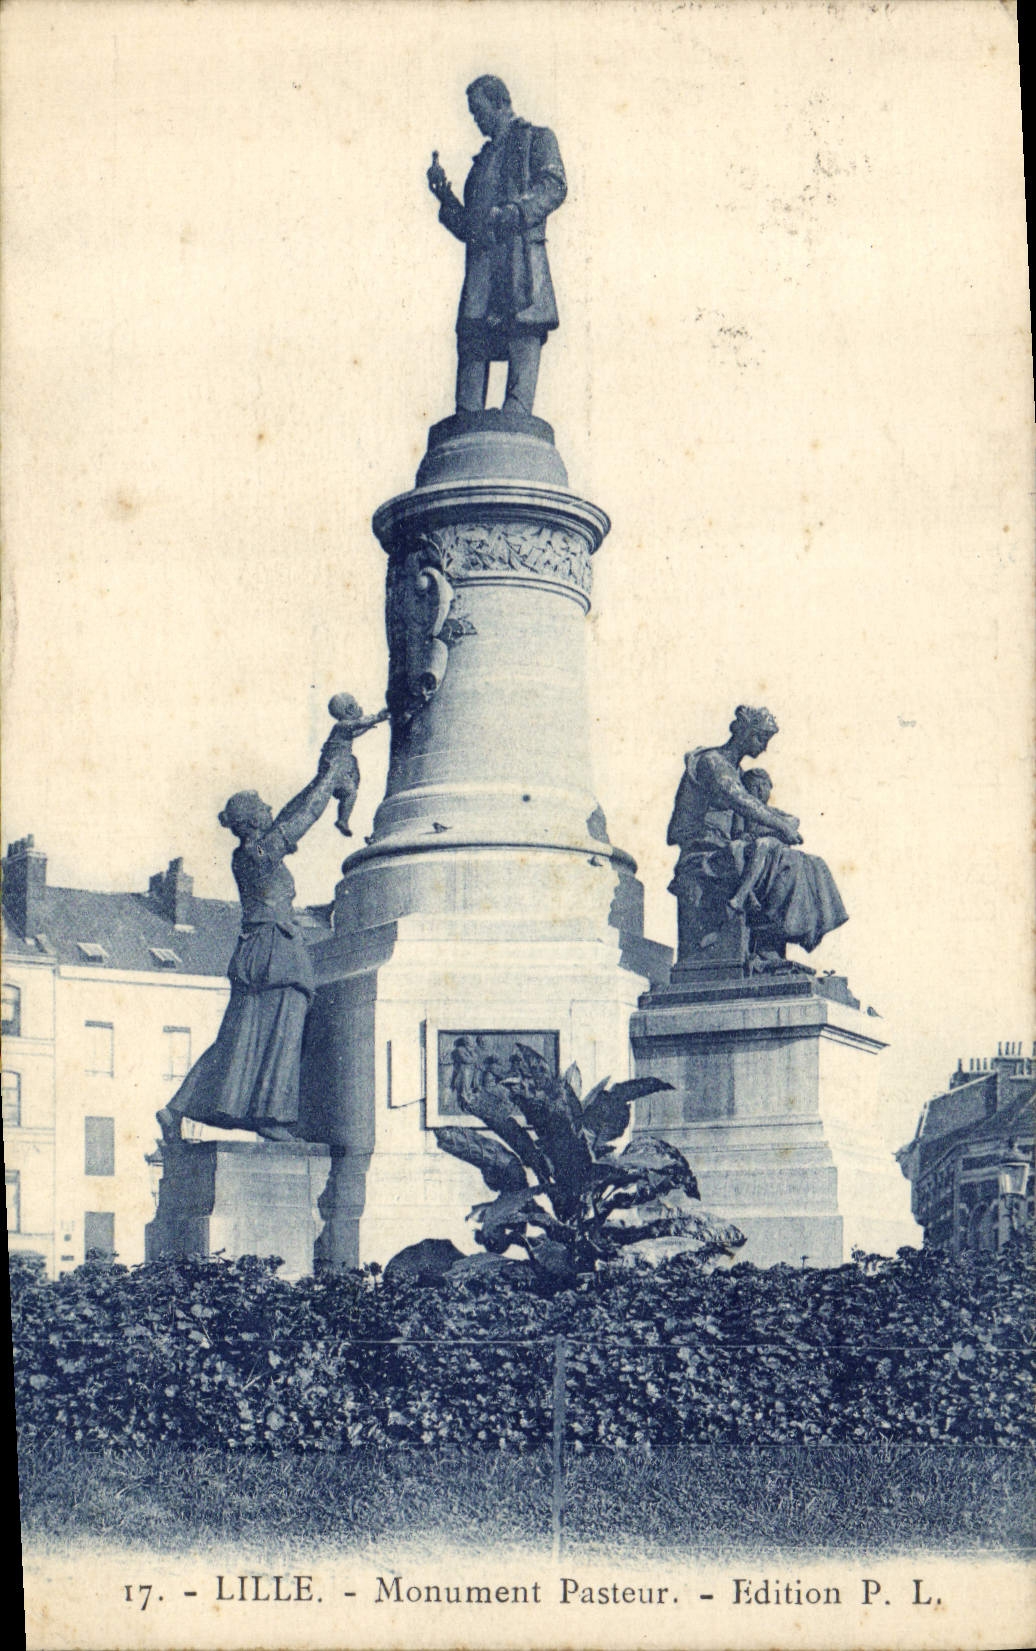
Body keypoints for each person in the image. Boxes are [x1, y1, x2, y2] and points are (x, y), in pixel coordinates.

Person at [156, 739, 353, 1145]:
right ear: (250, 822)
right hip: (274, 952)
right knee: (283, 1030)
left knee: (238, 1038)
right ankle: (271, 1116)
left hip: (263, 948)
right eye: (262, 806)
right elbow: (304, 816)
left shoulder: (251, 851)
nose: (269, 808)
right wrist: (331, 775)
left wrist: (324, 775)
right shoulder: (259, 852)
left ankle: (176, 1108)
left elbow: (288, 814)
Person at [427, 75, 566, 418]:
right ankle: (467, 415)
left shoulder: (537, 139)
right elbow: (470, 229)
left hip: (519, 261)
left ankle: (517, 414)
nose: (476, 120)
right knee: (473, 335)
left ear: (500, 103)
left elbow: (554, 185)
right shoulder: (481, 163)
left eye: (479, 111)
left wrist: (516, 211)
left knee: (522, 330)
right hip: (483, 270)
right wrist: (444, 196)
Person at [668, 706, 848, 959]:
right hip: (703, 854)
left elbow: (751, 813)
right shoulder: (712, 762)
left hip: (729, 849)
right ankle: (764, 948)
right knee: (785, 862)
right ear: (743, 732)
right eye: (760, 738)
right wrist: (780, 826)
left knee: (810, 864)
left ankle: (767, 948)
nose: (763, 747)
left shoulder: (739, 773)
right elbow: (739, 800)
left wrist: (782, 823)